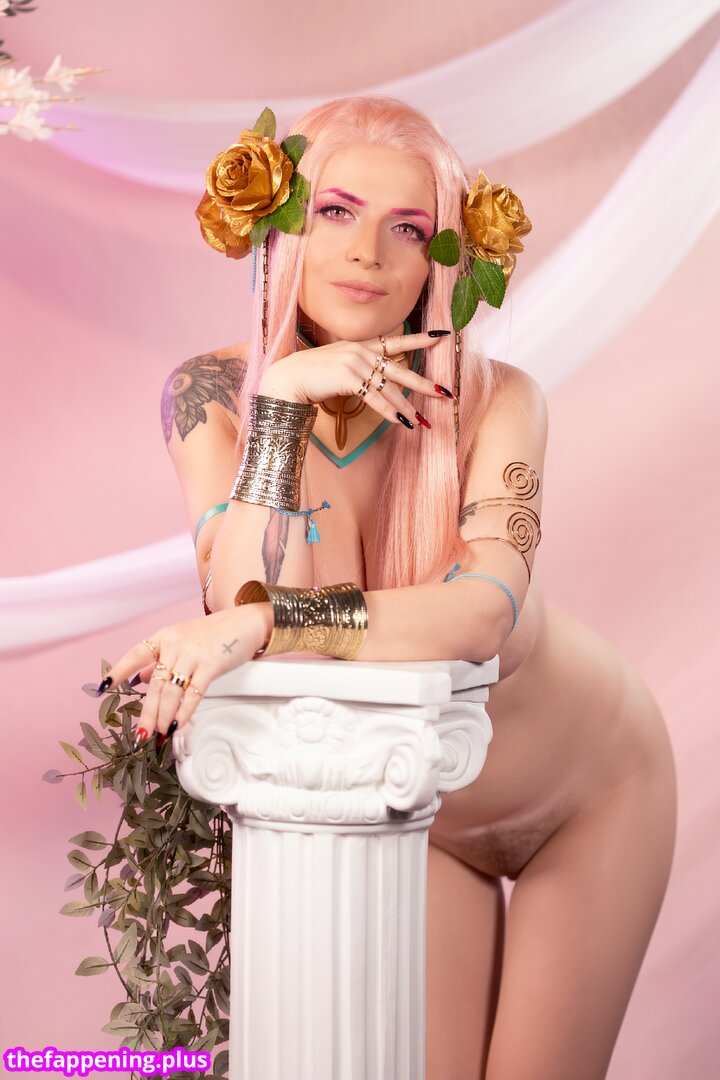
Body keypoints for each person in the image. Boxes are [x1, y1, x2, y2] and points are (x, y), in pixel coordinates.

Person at [101, 96, 677, 1079]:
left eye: (407, 228)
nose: (367, 252)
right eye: (335, 211)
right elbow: (241, 589)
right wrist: (282, 403)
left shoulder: (498, 401)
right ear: (280, 227)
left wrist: (270, 626)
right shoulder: (210, 396)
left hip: (593, 792)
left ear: (439, 262)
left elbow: (482, 616)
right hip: (423, 805)